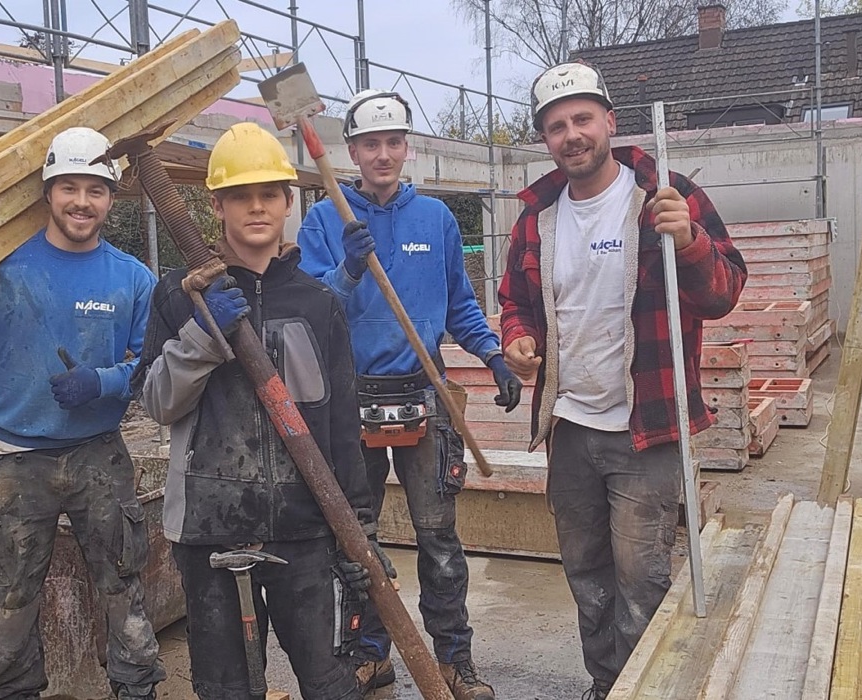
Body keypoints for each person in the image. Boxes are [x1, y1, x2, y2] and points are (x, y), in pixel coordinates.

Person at [497, 62, 747, 700]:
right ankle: (606, 684)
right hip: (570, 428)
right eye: (556, 126)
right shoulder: (538, 217)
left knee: (642, 579)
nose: (571, 134)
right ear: (545, 139)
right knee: (586, 574)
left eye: (582, 118)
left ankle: (648, 688)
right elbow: (516, 301)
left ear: (609, 121)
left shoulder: (665, 194)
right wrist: (517, 341)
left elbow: (723, 294)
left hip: (646, 426)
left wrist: (688, 239)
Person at [137, 121, 383, 700]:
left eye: (269, 193)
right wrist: (200, 336)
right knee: (226, 688)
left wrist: (361, 533)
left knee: (327, 682)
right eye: (241, 195)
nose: (256, 207)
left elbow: (342, 427)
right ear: (216, 204)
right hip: (207, 526)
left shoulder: (318, 303)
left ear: (287, 200)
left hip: (304, 524)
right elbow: (156, 403)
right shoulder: (178, 293)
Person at [0, 127, 164, 700]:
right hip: (15, 459)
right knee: (10, 594)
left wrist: (101, 381)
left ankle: (135, 689)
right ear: (47, 192)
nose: (82, 201)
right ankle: (12, 692)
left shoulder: (131, 277)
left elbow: (154, 364)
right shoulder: (1, 265)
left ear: (112, 197)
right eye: (69, 188)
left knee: (122, 585)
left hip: (98, 452)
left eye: (96, 190)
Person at [297, 90, 520, 700]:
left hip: (423, 394)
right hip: (351, 397)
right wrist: (345, 268)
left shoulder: (438, 221)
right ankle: (369, 654)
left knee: (439, 540)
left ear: (407, 146)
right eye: (371, 143)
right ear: (352, 150)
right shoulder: (325, 218)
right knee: (358, 539)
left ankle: (454, 661)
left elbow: (459, 306)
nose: (383, 154)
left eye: (393, 141)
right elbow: (315, 313)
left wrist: (494, 355)